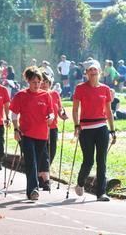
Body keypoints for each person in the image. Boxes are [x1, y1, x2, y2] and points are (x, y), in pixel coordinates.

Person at [73, 60, 116, 201]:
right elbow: (75, 109)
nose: (93, 73)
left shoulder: (105, 89)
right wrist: (76, 125)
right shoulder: (80, 88)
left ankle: (101, 193)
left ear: (99, 72)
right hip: (86, 129)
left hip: (102, 128)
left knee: (101, 161)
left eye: (95, 70)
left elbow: (109, 111)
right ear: (86, 73)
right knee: (89, 160)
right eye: (90, 71)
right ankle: (80, 183)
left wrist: (112, 130)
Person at [10, 66, 53, 200]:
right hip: (26, 135)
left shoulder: (46, 95)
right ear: (28, 81)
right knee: (31, 162)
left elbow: (50, 112)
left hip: (41, 135)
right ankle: (33, 190)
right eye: (34, 82)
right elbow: (14, 114)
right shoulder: (21, 95)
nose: (36, 85)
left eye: (39, 82)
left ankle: (33, 188)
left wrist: (51, 117)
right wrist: (16, 129)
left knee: (37, 162)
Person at [38, 72, 67, 190]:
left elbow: (59, 110)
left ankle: (40, 174)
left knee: (52, 152)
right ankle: (44, 178)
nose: (44, 84)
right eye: (42, 82)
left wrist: (63, 114)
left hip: (53, 128)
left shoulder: (55, 94)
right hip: (40, 129)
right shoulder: (37, 95)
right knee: (43, 153)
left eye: (47, 82)